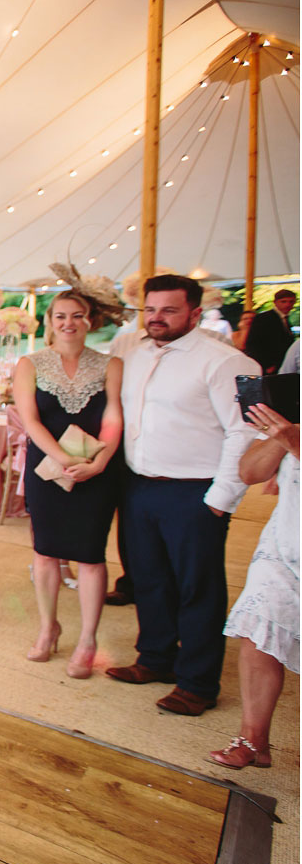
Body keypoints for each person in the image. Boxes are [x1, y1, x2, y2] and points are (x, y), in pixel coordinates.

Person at [106, 275, 260, 714]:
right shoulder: (132, 355)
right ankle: (155, 659)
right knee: (149, 580)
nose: (156, 318)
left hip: (195, 491)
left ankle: (197, 683)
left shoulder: (226, 361)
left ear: (195, 312)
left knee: (198, 588)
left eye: (169, 310)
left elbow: (244, 431)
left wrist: (220, 499)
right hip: (139, 486)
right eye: (150, 310)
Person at [13, 290, 124, 678]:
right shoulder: (31, 364)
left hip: (97, 471)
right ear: (49, 321)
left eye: (77, 316)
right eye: (60, 316)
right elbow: (31, 420)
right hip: (48, 472)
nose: (68, 323)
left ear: (89, 320)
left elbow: (113, 415)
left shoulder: (111, 364)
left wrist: (100, 462)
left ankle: (88, 639)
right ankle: (48, 627)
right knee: (45, 552)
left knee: (91, 555)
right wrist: (62, 459)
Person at [211, 397, 298, 770]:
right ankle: (253, 741)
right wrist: (281, 436)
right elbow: (249, 472)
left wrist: (295, 441)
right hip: (286, 539)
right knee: (257, 631)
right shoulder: (293, 414)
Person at [236, 289, 298, 373]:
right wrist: (266, 365)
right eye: (283, 302)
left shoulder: (285, 320)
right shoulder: (264, 318)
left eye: (291, 302)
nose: (287, 305)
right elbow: (254, 343)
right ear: (275, 302)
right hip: (270, 366)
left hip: (283, 364)